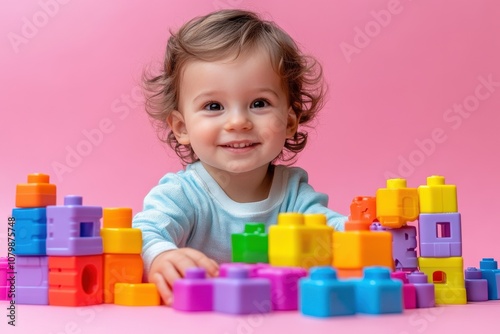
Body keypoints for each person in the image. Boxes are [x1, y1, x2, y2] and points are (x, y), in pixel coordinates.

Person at [132, 9, 346, 305]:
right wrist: (161, 256)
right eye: (214, 106)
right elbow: (144, 232)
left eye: (259, 103)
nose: (238, 122)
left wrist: (369, 235)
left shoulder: (293, 195)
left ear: (289, 122)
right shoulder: (184, 194)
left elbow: (331, 230)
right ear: (182, 127)